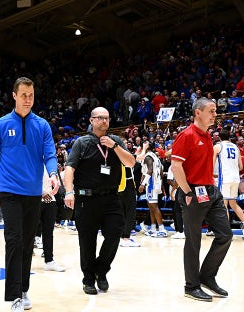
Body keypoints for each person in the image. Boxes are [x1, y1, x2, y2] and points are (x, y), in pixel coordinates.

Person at [0, 77, 59, 311]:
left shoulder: (43, 126)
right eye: (24, 95)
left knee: (27, 243)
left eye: (31, 95)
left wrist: (54, 174)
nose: (28, 99)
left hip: (33, 193)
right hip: (9, 191)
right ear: (14, 96)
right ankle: (14, 295)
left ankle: (24, 289)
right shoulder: (1, 125)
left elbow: (50, 154)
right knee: (13, 240)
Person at [63, 107, 135, 295]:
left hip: (111, 198)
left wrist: (115, 146)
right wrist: (69, 192)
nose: (104, 121)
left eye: (107, 118)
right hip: (86, 199)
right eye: (100, 118)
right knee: (87, 241)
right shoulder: (82, 142)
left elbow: (131, 162)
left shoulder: (116, 141)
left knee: (114, 234)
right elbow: (69, 168)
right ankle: (88, 279)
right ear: (92, 120)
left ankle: (101, 271)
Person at [170, 98, 232, 302]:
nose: (215, 114)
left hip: (211, 192)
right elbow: (176, 166)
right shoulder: (186, 135)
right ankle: (191, 285)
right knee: (194, 241)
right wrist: (187, 193)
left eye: (215, 111)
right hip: (193, 193)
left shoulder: (207, 137)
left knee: (225, 234)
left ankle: (206, 276)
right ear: (198, 112)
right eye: (211, 111)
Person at [213, 129, 244, 238]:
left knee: (223, 205)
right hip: (236, 178)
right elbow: (241, 167)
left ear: (219, 137)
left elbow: (211, 163)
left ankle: (226, 231)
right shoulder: (236, 148)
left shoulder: (218, 146)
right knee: (233, 204)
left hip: (224, 178)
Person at [36, 166, 66, 272]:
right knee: (29, 231)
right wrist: (42, 192)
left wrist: (56, 187)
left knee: (48, 232)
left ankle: (49, 260)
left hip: (50, 199)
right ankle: (22, 260)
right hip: (34, 199)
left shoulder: (51, 164)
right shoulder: (33, 158)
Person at [138, 143, 167, 238]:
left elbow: (150, 170)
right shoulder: (156, 157)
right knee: (151, 207)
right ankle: (153, 228)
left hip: (151, 184)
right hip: (156, 183)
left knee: (154, 207)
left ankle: (162, 230)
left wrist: (142, 184)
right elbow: (161, 173)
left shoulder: (148, 157)